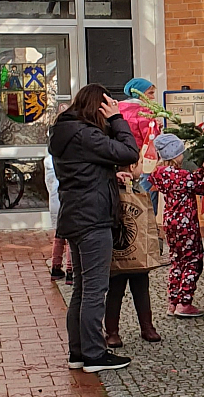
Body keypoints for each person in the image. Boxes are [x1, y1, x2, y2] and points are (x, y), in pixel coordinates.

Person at [49, 83, 138, 373]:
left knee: (81, 288)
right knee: (94, 290)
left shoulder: (67, 132)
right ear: (98, 108)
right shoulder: (86, 135)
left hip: (74, 216)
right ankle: (94, 355)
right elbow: (129, 152)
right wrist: (117, 119)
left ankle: (78, 353)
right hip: (92, 218)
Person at [148, 134, 204, 318]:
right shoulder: (183, 176)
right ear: (174, 155)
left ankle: (173, 302)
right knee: (193, 260)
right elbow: (203, 187)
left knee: (176, 260)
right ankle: (185, 303)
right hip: (187, 224)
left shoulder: (159, 174)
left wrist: (200, 171)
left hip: (170, 223)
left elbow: (190, 181)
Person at [104, 162, 162, 347]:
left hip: (137, 253)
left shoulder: (137, 189)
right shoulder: (112, 189)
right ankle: (112, 331)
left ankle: (147, 326)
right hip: (119, 252)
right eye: (141, 164)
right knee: (115, 290)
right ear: (132, 166)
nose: (142, 169)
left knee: (141, 287)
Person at [119, 78, 160, 213]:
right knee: (146, 197)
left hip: (120, 159)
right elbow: (152, 138)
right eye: (150, 93)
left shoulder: (117, 109)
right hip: (143, 160)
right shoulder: (144, 112)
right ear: (140, 94)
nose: (153, 98)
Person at [44, 152, 72, 284]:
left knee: (58, 235)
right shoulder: (65, 158)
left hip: (55, 204)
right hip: (67, 202)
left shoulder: (49, 162)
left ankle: (56, 266)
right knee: (72, 237)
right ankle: (71, 270)